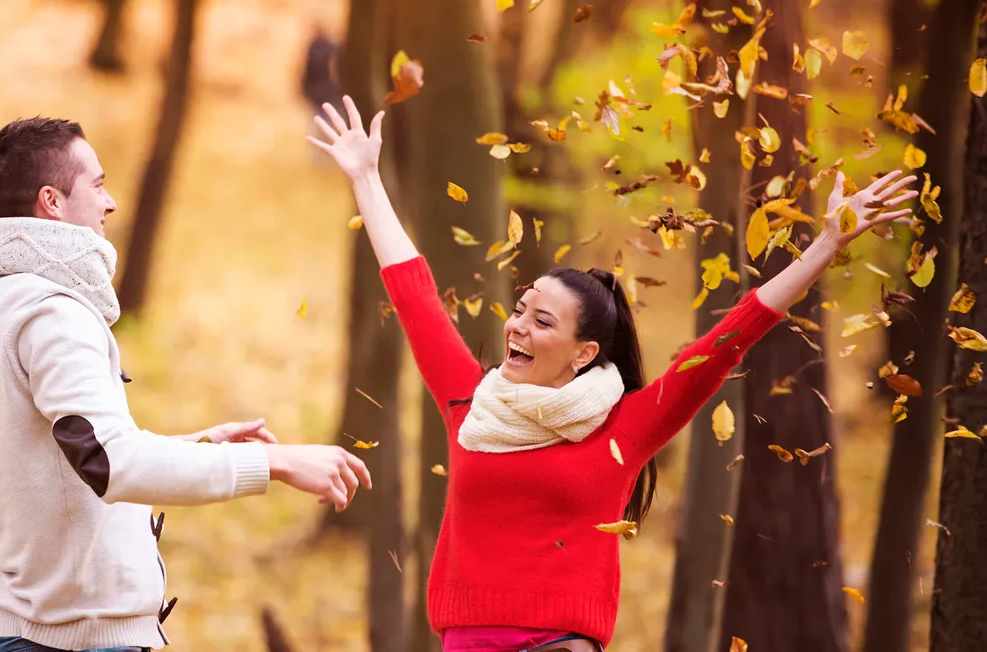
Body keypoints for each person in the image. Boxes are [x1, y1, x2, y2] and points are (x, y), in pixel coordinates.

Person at [306, 95, 917, 652]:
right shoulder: (472, 405)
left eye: (542, 321)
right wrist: (365, 177)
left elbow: (725, 343)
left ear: (582, 353)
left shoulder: (623, 427)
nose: (517, 327)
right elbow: (414, 293)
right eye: (520, 310)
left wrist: (824, 248)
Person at [0, 117, 372, 652]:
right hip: (79, 642)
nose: (111, 202)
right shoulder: (52, 313)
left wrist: (195, 447)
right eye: (97, 185)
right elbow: (109, 464)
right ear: (51, 202)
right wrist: (278, 464)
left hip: (35, 633)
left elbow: (69, 459)